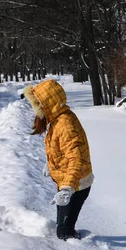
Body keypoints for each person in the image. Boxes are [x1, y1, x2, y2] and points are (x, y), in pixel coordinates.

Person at [24, 79, 94, 240]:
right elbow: (60, 150)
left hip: (77, 184)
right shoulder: (57, 120)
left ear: (48, 104)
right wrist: (51, 164)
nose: (36, 111)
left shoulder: (65, 124)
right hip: (66, 182)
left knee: (63, 232)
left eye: (38, 105)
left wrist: (68, 188)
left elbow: (76, 159)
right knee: (61, 224)